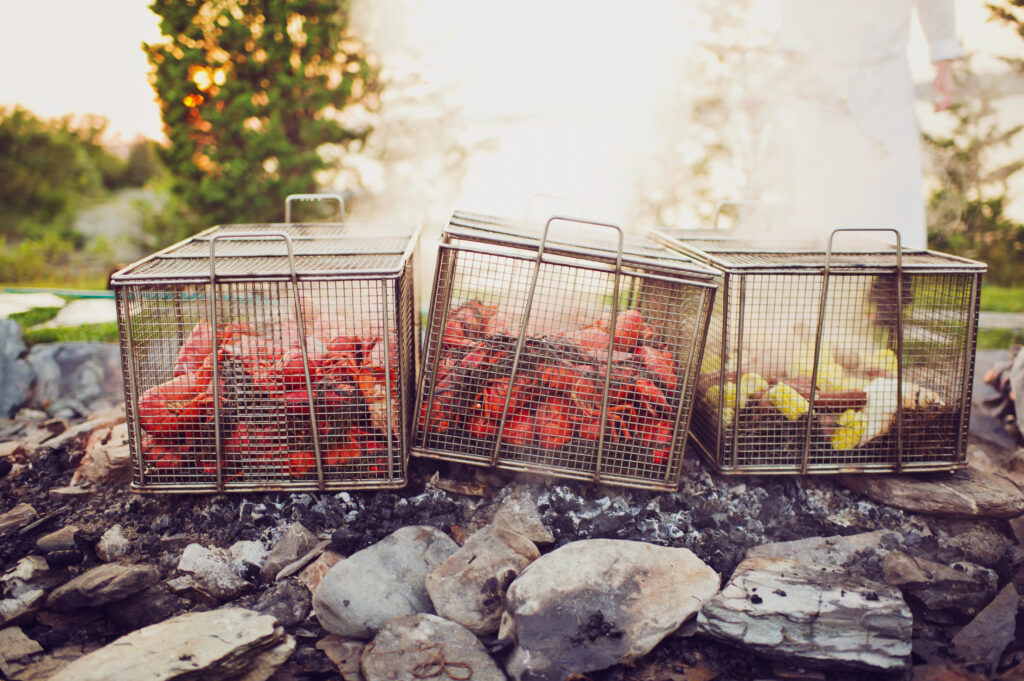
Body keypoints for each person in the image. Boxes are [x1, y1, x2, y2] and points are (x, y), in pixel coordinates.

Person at [752, 0, 965, 250]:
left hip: (888, 81)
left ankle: (893, 277)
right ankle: (823, 273)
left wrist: (944, 65)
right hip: (821, 75)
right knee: (823, 189)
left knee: (893, 189)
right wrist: (800, 69)